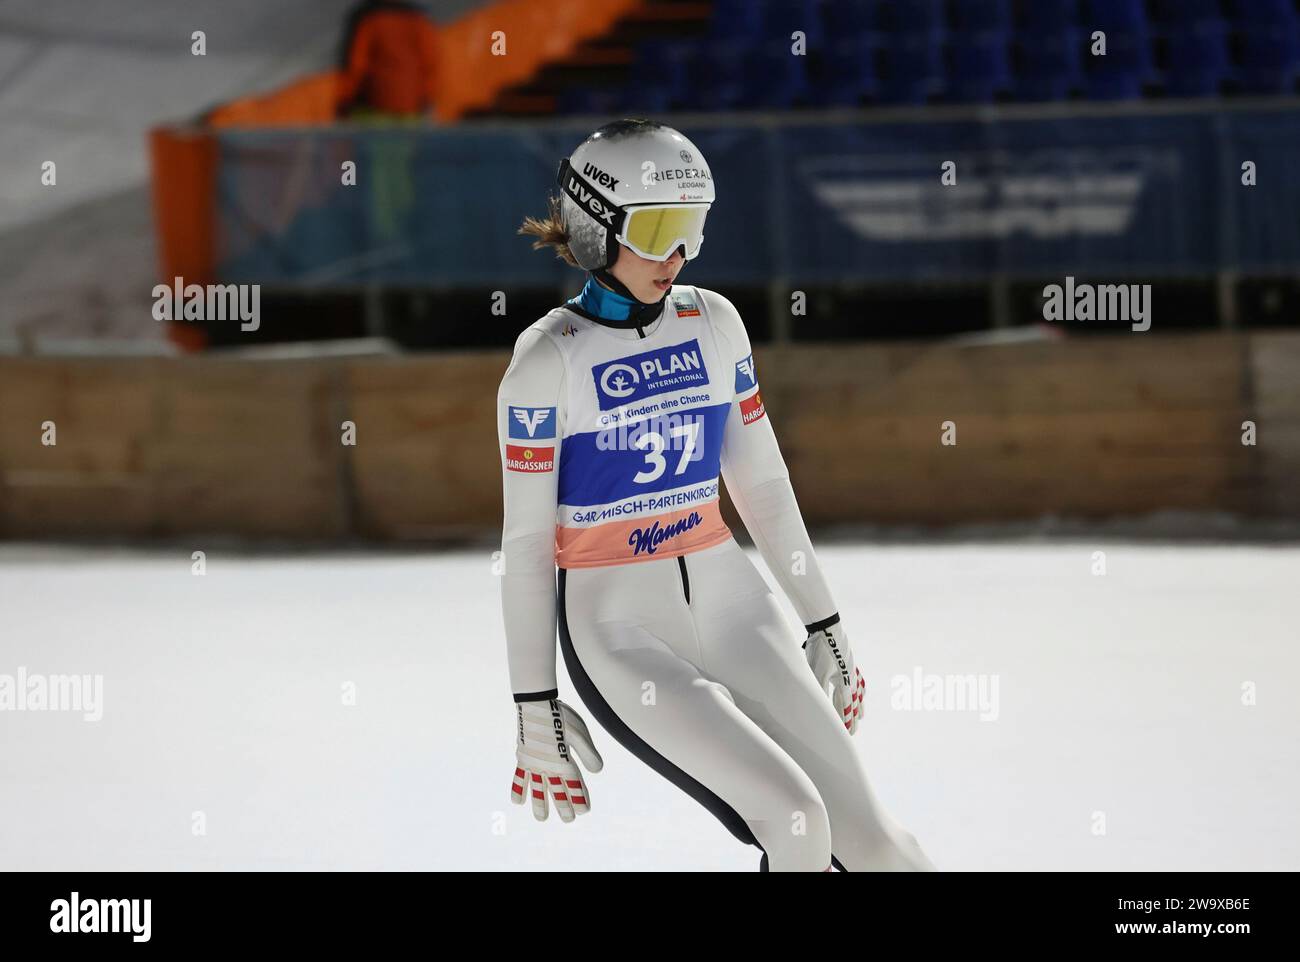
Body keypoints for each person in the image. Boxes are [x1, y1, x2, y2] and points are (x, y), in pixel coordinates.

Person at [500, 119, 934, 872]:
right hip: (620, 631)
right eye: (657, 230)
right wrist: (533, 702)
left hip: (735, 602)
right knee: (797, 823)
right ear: (595, 228)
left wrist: (823, 619)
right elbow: (528, 545)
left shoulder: (715, 322)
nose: (675, 256)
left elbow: (762, 483)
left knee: (884, 849)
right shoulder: (547, 361)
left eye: (691, 231)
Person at [335, 0, 439, 119]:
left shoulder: (369, 19)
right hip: (410, 106)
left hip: (374, 104)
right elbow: (431, 64)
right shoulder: (419, 21)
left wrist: (345, 99)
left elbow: (356, 65)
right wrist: (428, 98)